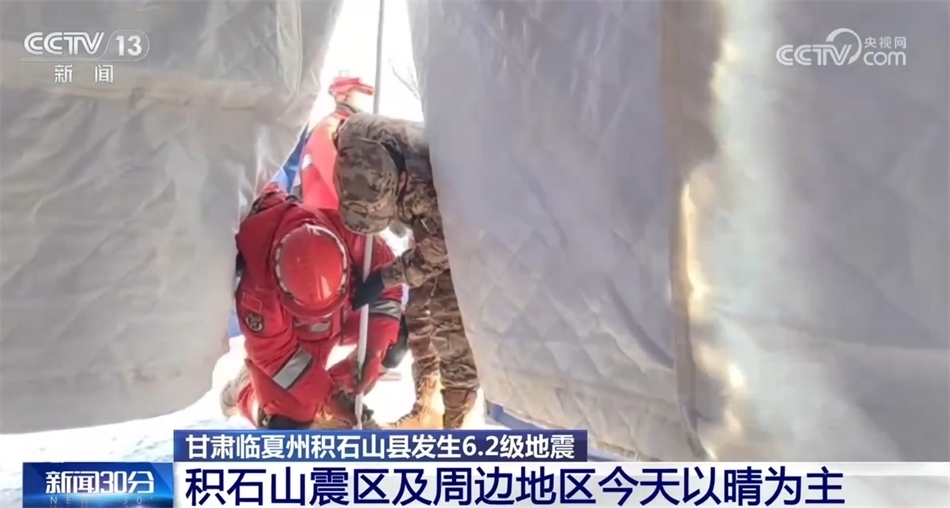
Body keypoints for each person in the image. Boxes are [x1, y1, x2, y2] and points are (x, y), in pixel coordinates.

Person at [331, 112, 481, 430]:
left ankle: (459, 425)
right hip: (423, 224)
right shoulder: (351, 137)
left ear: (399, 182)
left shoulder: (432, 183)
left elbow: (445, 246)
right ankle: (428, 410)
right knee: (418, 314)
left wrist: (386, 277)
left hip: (459, 232)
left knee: (449, 322)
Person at [219, 183, 403, 429]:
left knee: (398, 336)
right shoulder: (257, 293)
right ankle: (247, 393)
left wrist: (375, 351)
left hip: (340, 316)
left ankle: (334, 399)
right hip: (290, 338)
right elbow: (278, 355)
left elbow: (388, 283)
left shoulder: (353, 236)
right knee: (285, 425)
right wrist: (329, 397)